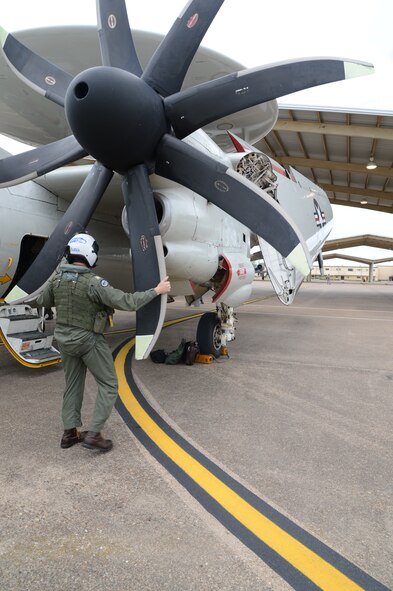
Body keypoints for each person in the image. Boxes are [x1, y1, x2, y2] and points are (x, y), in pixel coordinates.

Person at [34, 232, 171, 453]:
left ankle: (69, 433)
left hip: (64, 341)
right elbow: (127, 301)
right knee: (109, 385)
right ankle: (94, 434)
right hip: (89, 340)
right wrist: (156, 290)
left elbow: (42, 300)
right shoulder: (94, 283)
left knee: (72, 385)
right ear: (89, 255)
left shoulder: (56, 280)